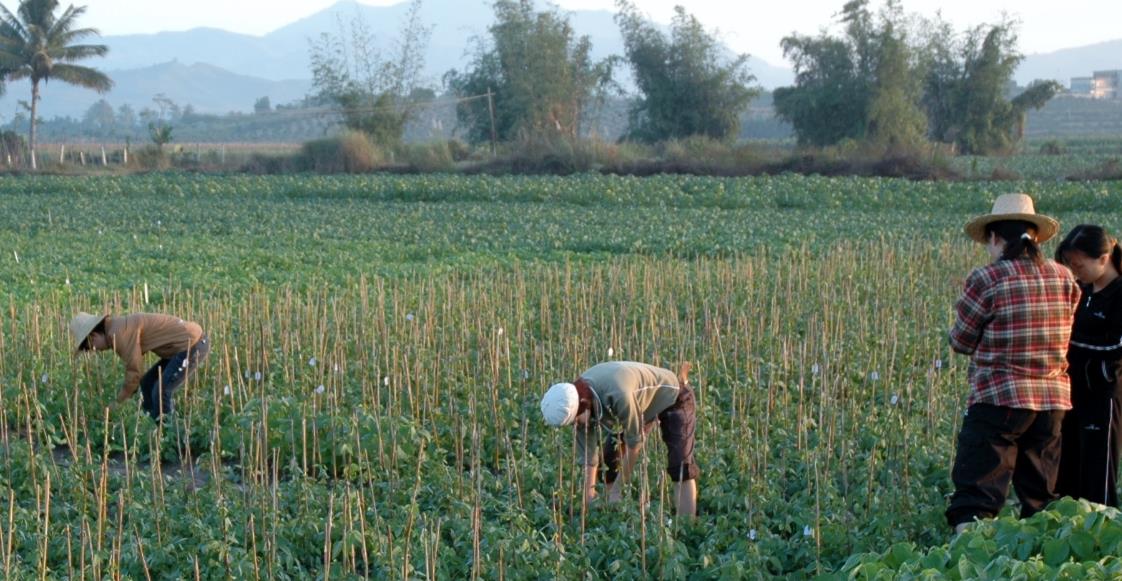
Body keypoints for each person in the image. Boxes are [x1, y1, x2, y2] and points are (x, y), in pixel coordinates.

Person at [945, 193, 1081, 534]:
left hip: (999, 399)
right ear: (1034, 236)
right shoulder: (1064, 277)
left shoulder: (987, 278)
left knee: (977, 497)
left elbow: (961, 341)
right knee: (1040, 499)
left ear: (994, 237)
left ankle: (974, 562)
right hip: (1051, 402)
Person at [540, 361, 698, 518]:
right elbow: (589, 458)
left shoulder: (618, 394)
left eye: (575, 421)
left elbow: (634, 444)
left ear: (583, 404)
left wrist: (618, 488)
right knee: (610, 462)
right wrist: (588, 496)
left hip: (673, 396)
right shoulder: (576, 400)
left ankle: (687, 528)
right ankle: (615, 513)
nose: (576, 425)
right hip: (639, 404)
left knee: (680, 466)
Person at [1054, 225, 1122, 507]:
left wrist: (1069, 342)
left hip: (1103, 392)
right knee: (1067, 465)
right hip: (1072, 391)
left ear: (1104, 258)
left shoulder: (1119, 294)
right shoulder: (1082, 290)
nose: (1074, 270)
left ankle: (1104, 532)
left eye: (1079, 264)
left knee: (1098, 469)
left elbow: (1117, 345)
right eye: (1070, 264)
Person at [70, 311, 209, 420]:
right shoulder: (116, 328)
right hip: (179, 348)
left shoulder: (118, 334)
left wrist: (118, 402)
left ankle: (168, 434)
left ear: (94, 336)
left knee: (161, 391)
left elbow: (134, 371)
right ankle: (153, 425)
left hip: (192, 344)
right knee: (147, 384)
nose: (95, 351)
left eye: (90, 347)